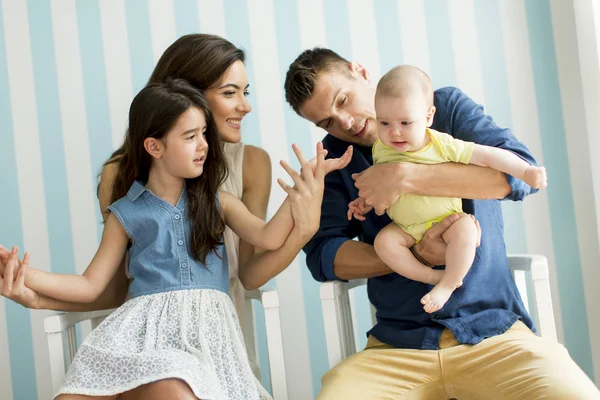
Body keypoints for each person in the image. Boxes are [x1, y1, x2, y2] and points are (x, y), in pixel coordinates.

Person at [0, 34, 350, 399]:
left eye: (246, 92)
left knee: (176, 381)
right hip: (137, 339)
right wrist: (31, 285)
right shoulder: (127, 201)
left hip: (207, 344)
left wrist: (305, 199)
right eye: (230, 93)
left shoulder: (223, 195)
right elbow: (102, 285)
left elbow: (261, 248)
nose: (244, 107)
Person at [284, 48, 600, 399]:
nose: (344, 122)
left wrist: (405, 177)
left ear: (360, 72)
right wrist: (415, 255)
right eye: (326, 121)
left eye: (343, 100)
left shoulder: (444, 107)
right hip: (396, 347)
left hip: (493, 333)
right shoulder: (335, 158)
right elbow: (324, 255)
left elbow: (518, 176)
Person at [347, 65, 547, 313]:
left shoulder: (440, 144)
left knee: (467, 231)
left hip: (448, 220)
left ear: (429, 117)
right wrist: (363, 202)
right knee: (383, 243)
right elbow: (381, 190)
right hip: (407, 228)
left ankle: (450, 282)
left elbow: (488, 157)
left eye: (405, 122)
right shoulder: (381, 149)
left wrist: (525, 172)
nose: (394, 132)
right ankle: (431, 277)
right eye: (384, 122)